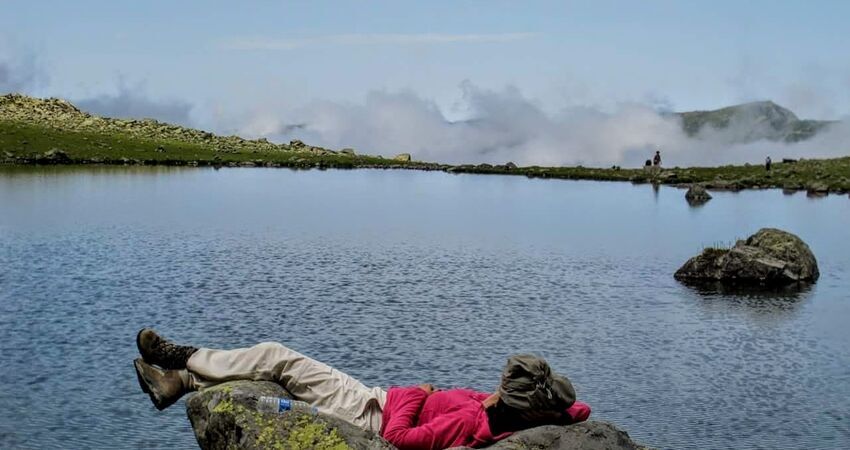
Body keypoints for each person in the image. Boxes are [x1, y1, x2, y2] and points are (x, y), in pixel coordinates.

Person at [133, 329, 591, 450]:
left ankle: (180, 358)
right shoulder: (515, 412)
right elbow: (580, 410)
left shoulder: (474, 419)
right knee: (275, 372)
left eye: (503, 382)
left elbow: (398, 440)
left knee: (277, 356)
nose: (496, 383)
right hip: (373, 400)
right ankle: (184, 382)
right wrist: (554, 409)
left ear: (510, 395)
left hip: (370, 411)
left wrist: (415, 391)